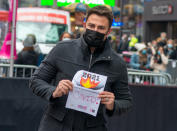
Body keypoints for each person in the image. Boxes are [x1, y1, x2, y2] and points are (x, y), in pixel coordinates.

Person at [29, 5, 133, 131]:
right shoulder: (62, 49)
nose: (95, 30)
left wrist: (113, 104)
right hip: (56, 124)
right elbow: (35, 81)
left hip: (93, 126)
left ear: (108, 31)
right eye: (91, 26)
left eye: (101, 28)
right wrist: (54, 91)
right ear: (85, 25)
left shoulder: (117, 63)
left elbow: (126, 101)